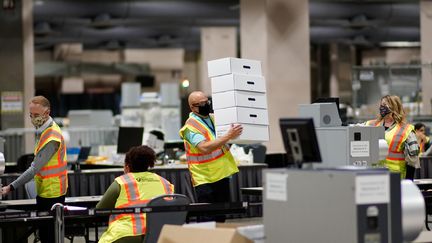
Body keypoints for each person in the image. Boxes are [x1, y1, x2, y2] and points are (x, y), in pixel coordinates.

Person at [1, 95, 68, 243]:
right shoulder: (44, 130)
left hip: (53, 194)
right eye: (31, 115)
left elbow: (34, 169)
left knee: (49, 237)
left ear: (47, 113)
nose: (33, 119)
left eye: (36, 115)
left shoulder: (52, 137)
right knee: (45, 235)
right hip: (45, 190)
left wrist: (11, 187)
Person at [179, 91, 242, 222]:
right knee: (207, 218)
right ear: (192, 107)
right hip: (204, 178)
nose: (205, 105)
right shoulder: (189, 127)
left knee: (220, 217)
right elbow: (204, 148)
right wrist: (228, 136)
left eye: (206, 101)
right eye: (201, 104)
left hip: (221, 174)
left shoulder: (214, 118)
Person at [97, 145, 174, 243]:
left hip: (125, 235)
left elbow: (100, 209)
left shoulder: (122, 182)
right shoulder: (165, 183)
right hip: (158, 235)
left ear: (127, 166)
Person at [364, 95, 419, 180]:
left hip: (395, 178)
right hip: (374, 176)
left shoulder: (406, 130)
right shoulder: (370, 125)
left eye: (385, 105)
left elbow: (413, 160)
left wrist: (408, 182)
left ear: (394, 107)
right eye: (381, 105)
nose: (382, 108)